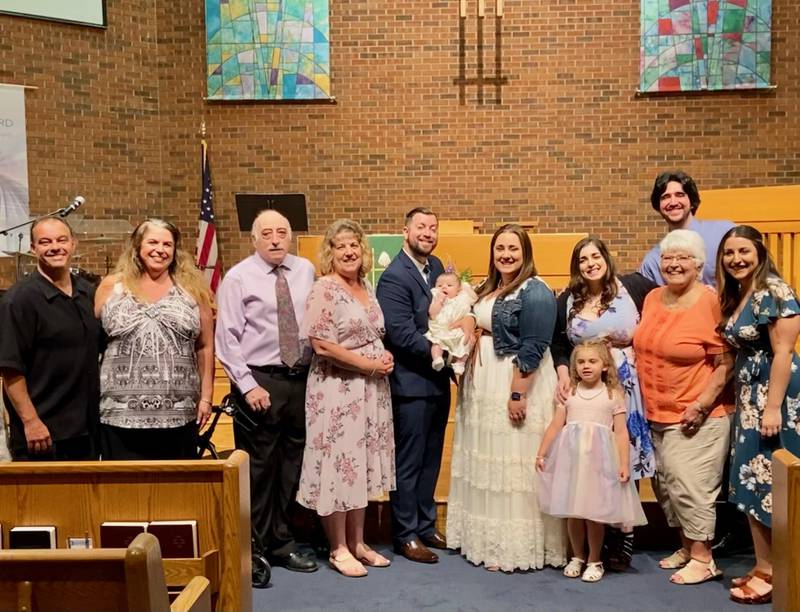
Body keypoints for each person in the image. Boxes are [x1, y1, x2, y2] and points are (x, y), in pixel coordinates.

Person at [447, 223, 567, 572]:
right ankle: (485, 538)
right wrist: (470, 320)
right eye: (500, 248)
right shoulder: (490, 287)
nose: (506, 254)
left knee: (514, 459)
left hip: (513, 379)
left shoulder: (535, 290)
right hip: (483, 384)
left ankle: (514, 546)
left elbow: (533, 346)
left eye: (513, 248)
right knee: (488, 457)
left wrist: (518, 392)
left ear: (526, 253)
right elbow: (479, 314)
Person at [216, 209, 318, 574]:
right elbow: (226, 339)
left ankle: (281, 541)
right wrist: (248, 386)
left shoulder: (306, 270)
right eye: (267, 233)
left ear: (290, 236)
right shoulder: (238, 278)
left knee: (292, 465)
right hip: (260, 380)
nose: (275, 239)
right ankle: (253, 548)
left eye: (282, 232)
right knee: (259, 469)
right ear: (254, 239)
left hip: (300, 379)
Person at [634, 229, 734, 585]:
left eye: (682, 258)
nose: (673, 264)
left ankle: (704, 557)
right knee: (666, 483)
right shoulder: (653, 298)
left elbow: (725, 362)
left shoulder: (710, 301)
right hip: (655, 411)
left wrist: (702, 404)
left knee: (690, 484)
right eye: (667, 258)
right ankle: (686, 545)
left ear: (698, 264)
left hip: (697, 414)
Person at [296, 219, 396, 578]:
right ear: (330, 253)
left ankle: (358, 541)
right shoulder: (325, 288)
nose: (349, 251)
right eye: (340, 246)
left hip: (370, 390)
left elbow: (375, 334)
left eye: (354, 244)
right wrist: (370, 365)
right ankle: (337, 546)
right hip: (337, 390)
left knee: (362, 463)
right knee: (338, 464)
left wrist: (383, 357)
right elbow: (322, 344)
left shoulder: (366, 287)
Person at [551, 236, 656, 569]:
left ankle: (623, 535)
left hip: (626, 383)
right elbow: (557, 344)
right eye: (582, 259)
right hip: (586, 387)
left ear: (606, 258)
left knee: (625, 453)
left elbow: (669, 297)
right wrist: (563, 372)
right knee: (593, 457)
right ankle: (599, 534)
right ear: (576, 267)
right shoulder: (568, 299)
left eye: (595, 256)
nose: (590, 263)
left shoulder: (633, 287)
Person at [717, 225, 800, 605]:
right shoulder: (740, 293)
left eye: (744, 251)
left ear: (760, 252)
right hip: (749, 398)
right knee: (750, 479)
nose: (736, 259)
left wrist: (771, 408)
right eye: (729, 253)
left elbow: (783, 352)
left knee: (771, 481)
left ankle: (778, 570)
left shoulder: (775, 291)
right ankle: (763, 564)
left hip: (775, 400)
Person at [376, 207, 460, 563]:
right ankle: (405, 534)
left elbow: (448, 312)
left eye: (433, 227)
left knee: (430, 461)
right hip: (410, 385)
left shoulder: (437, 268)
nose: (427, 232)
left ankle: (426, 525)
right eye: (420, 227)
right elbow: (400, 332)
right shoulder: (394, 276)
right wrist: (438, 349)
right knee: (409, 463)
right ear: (405, 231)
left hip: (438, 382)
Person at [94, 218, 214, 460]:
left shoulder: (192, 290)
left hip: (179, 412)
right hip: (119, 412)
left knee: (176, 491)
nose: (160, 250)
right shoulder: (110, 286)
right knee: (122, 489)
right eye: (153, 242)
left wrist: (207, 397)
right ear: (137, 247)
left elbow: (205, 347)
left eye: (167, 244)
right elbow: (93, 343)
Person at [537, 340, 647, 583]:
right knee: (574, 513)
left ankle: (595, 559)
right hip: (572, 461)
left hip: (599, 464)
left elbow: (620, 432)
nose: (586, 366)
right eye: (581, 362)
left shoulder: (613, 395)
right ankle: (577, 556)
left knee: (594, 513)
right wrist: (542, 452)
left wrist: (623, 463)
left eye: (592, 361)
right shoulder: (570, 394)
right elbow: (557, 424)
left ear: (605, 366)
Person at [0, 217, 101, 460]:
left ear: (73, 244)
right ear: (33, 249)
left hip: (88, 430)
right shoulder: (19, 300)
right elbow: (11, 369)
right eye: (45, 242)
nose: (55, 247)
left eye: (61, 240)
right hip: (43, 434)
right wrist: (31, 421)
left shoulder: (88, 292)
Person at [639, 170, 734, 286]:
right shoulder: (652, 262)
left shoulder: (724, 233)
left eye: (680, 195)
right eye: (665, 197)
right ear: (658, 206)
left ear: (692, 201)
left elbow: (757, 278)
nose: (673, 202)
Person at [425, 269, 478, 375]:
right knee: (437, 343)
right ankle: (437, 359)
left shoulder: (462, 298)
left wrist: (466, 286)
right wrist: (439, 301)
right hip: (441, 328)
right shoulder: (436, 297)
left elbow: (474, 301)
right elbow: (432, 313)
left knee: (467, 342)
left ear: (458, 289)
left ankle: (460, 362)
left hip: (458, 330)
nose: (444, 287)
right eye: (439, 285)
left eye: (449, 285)